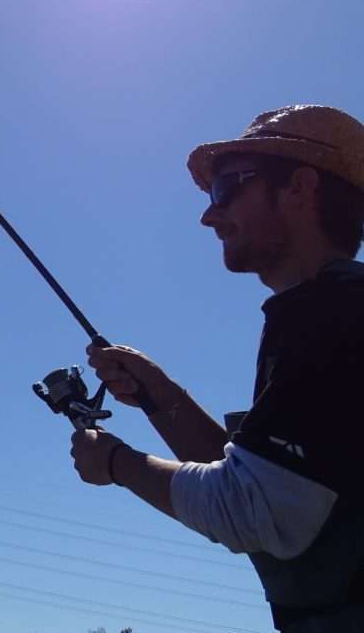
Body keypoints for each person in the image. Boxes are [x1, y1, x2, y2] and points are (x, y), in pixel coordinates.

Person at [68, 104, 364, 632]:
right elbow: (265, 483)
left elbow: (256, 511)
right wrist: (162, 397)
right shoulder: (333, 307)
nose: (209, 214)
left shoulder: (329, 312)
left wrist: (113, 463)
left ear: (299, 188)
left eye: (227, 187)